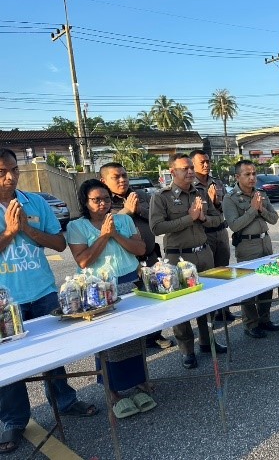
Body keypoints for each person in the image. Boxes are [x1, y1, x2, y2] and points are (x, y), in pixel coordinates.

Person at [0, 148, 98, 455]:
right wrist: (10, 232)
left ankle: (65, 400)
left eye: (14, 170)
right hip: (5, 302)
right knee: (9, 362)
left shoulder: (35, 202)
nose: (10, 177)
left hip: (42, 292)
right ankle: (14, 420)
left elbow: (58, 244)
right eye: (2, 172)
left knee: (54, 354)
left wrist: (27, 229)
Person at [66, 179, 155, 418]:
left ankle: (140, 380)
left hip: (129, 281)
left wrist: (115, 233)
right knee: (109, 340)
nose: (103, 204)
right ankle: (113, 391)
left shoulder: (123, 220)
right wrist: (104, 236)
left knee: (134, 335)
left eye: (106, 199)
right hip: (98, 289)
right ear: (85, 202)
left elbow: (140, 249)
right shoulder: (77, 226)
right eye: (96, 200)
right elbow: (83, 260)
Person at [149, 154, 227, 370]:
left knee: (207, 301)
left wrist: (203, 218)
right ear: (172, 172)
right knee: (181, 307)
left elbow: (218, 219)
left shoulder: (201, 193)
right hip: (178, 257)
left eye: (191, 167)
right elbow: (156, 227)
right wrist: (189, 218)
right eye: (185, 168)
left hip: (203, 254)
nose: (191, 171)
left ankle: (207, 341)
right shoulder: (162, 197)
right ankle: (187, 350)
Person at [99, 162, 172, 350]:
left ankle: (154, 335)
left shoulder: (141, 195)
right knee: (131, 304)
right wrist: (126, 212)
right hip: (127, 262)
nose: (122, 180)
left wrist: (139, 210)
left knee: (155, 297)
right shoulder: (103, 202)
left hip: (150, 256)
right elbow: (104, 227)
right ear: (104, 181)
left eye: (124, 175)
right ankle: (134, 340)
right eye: (116, 177)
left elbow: (158, 217)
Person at [223, 160, 279, 338]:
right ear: (237, 177)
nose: (252, 177)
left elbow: (274, 219)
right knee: (249, 286)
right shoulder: (230, 198)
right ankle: (250, 324)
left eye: (254, 173)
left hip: (265, 242)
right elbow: (234, 225)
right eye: (247, 174)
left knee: (267, 283)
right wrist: (252, 210)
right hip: (247, 245)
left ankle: (264, 319)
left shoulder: (261, 194)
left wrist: (261, 209)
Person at [189, 149, 237, 323]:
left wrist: (216, 202)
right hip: (204, 234)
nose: (206, 165)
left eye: (208, 161)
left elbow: (225, 208)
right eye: (202, 162)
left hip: (221, 232)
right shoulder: (191, 186)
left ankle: (224, 310)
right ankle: (209, 314)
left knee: (223, 272)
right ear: (192, 165)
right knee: (208, 275)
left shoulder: (217, 183)